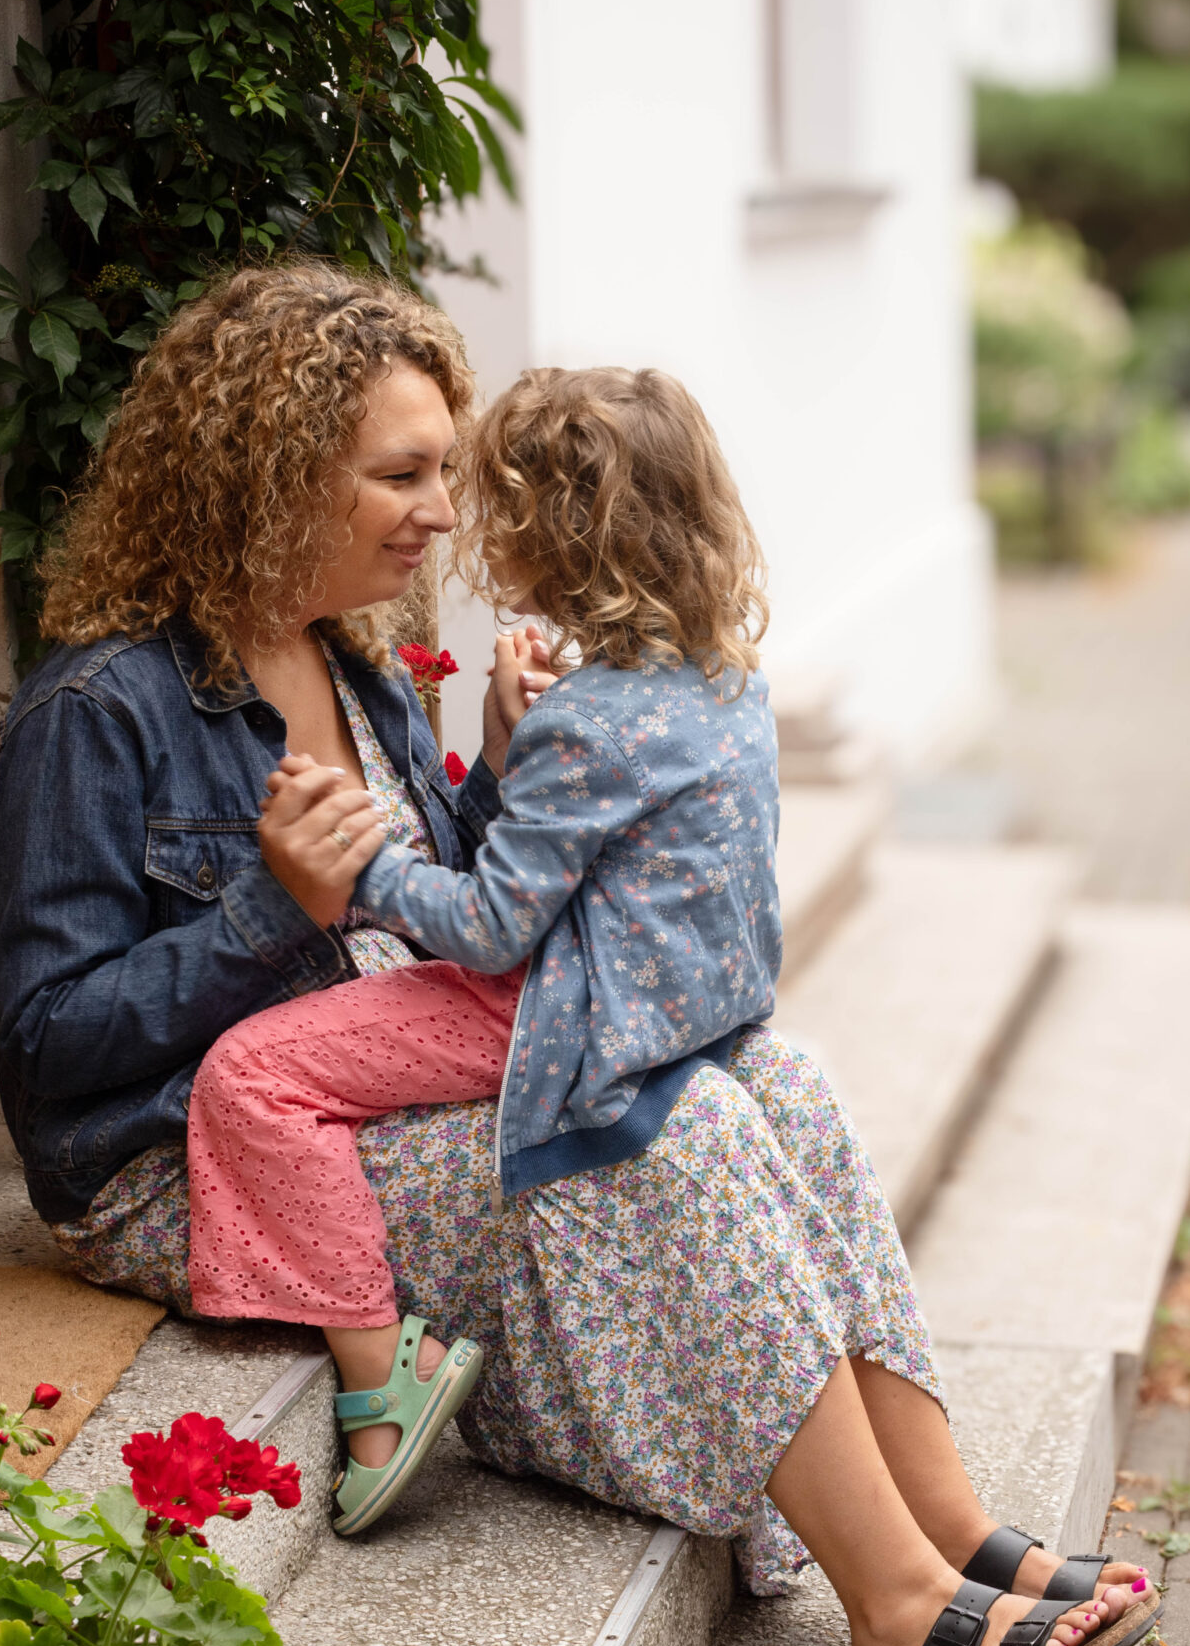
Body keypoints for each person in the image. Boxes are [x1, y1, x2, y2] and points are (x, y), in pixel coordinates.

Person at [0, 261, 1156, 1646]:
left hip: (395, 1073)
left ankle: (949, 1524)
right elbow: (46, 1056)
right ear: (264, 477)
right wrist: (271, 906)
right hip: (202, 1155)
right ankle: (897, 1614)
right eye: (399, 475)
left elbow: (455, 911)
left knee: (771, 1078)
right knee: (674, 1132)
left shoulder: (362, 663)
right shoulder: (95, 715)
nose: (444, 515)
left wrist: (500, 764)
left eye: (444, 473)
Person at [184, 366, 787, 1541]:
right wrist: (509, 753)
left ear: (556, 531)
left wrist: (358, 870)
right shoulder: (722, 683)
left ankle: (375, 1386)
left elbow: (491, 926)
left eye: (479, 491)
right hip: (677, 1015)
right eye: (418, 476)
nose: (459, 516)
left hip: (549, 1010)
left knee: (251, 1076)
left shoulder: (590, 715)